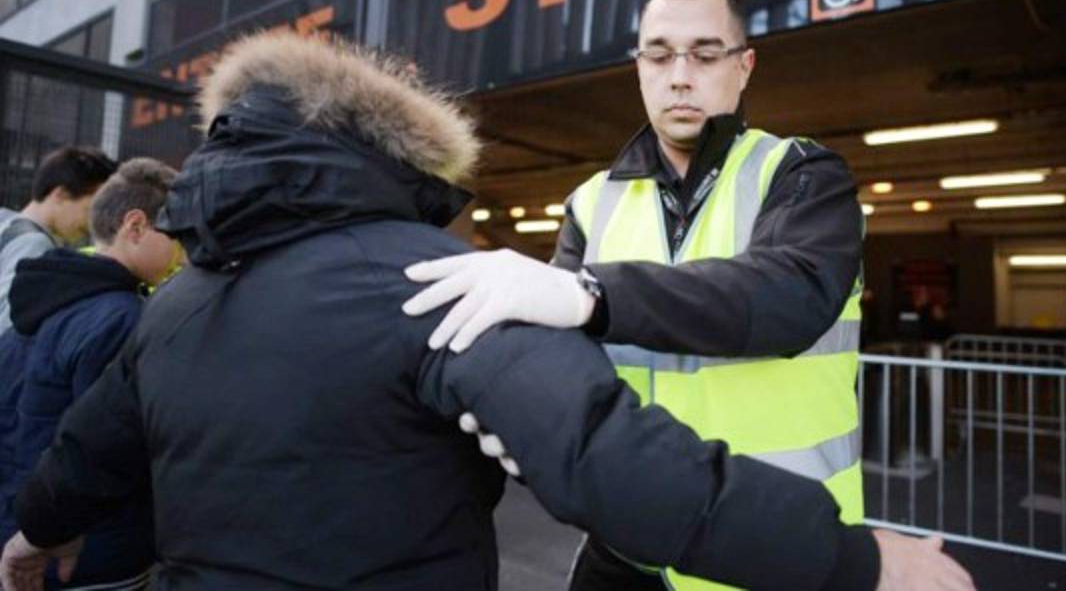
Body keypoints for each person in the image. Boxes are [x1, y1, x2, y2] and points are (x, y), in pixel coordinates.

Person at [0, 32, 972, 591]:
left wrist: (37, 531)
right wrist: (855, 561)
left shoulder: (175, 303)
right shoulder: (441, 279)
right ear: (400, 157)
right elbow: (606, 460)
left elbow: (91, 448)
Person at [404, 0, 866, 591]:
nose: (681, 75)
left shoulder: (801, 174)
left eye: (705, 54)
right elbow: (557, 359)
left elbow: (791, 294)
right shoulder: (591, 202)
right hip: (630, 544)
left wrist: (589, 295)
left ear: (744, 66)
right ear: (639, 67)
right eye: (659, 54)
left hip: (772, 544)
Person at [0, 158, 181, 591]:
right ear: (135, 226)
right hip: (84, 550)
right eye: (176, 236)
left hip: (23, 524)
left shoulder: (43, 296)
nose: (184, 253)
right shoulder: (121, 319)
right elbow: (105, 448)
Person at [0, 147, 117, 336]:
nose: (92, 223)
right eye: (90, 210)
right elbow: (8, 325)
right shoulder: (35, 245)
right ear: (61, 194)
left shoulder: (4, 221)